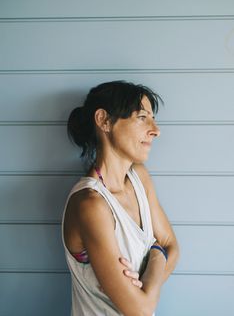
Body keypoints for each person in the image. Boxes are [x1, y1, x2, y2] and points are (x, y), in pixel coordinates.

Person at [62, 80, 179, 316]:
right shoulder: (90, 204)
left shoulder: (140, 178)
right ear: (104, 120)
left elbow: (171, 245)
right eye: (142, 117)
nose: (156, 130)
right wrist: (157, 256)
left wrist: (148, 281)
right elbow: (140, 310)